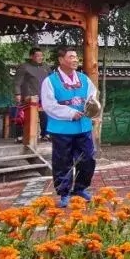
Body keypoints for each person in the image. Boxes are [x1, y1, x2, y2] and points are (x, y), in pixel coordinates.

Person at [40, 48, 99, 207]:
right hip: (62, 129)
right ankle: (64, 193)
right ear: (61, 60)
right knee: (62, 161)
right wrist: (70, 113)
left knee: (88, 158)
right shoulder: (50, 81)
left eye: (76, 57)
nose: (75, 59)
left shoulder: (84, 79)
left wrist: (91, 108)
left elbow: (92, 96)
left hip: (83, 126)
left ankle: (80, 188)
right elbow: (48, 105)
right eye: (71, 56)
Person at [14, 47, 50, 142]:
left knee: (45, 115)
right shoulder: (24, 66)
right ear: (31, 56)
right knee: (23, 116)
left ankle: (45, 134)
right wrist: (17, 93)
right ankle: (20, 136)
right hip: (28, 96)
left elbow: (52, 80)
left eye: (41, 56)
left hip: (43, 96)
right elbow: (17, 82)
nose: (40, 57)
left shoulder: (46, 67)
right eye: (37, 56)